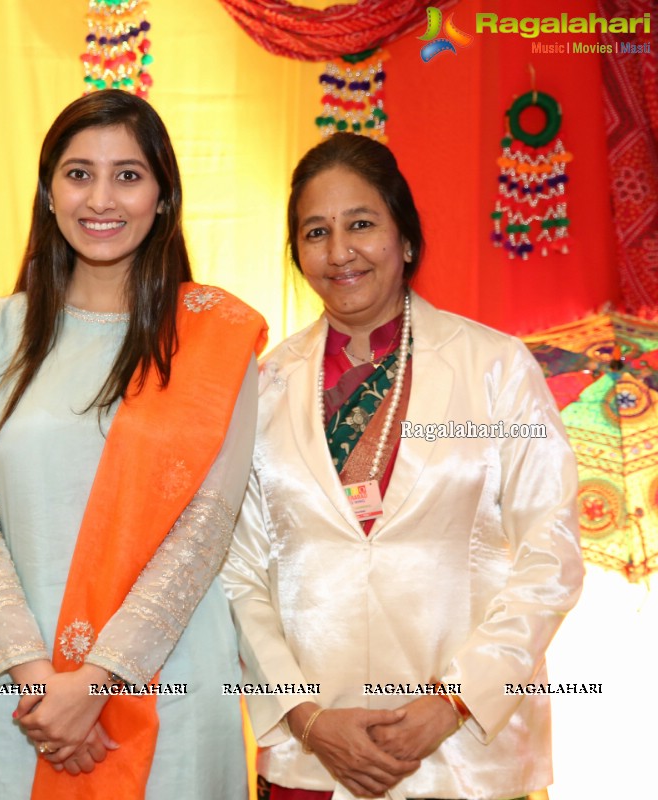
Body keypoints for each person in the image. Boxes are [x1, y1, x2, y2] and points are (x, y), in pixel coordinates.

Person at [223, 132, 584, 800]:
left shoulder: (494, 368)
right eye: (316, 232)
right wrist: (306, 717)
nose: (340, 252)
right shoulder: (265, 387)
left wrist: (455, 702)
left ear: (406, 239)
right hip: (315, 763)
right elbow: (238, 574)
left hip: (466, 758)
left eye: (361, 224)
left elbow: (551, 554)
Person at [0, 89, 268, 800]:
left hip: (167, 683)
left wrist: (97, 679)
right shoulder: (0, 330)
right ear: (48, 192)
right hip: (14, 699)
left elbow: (206, 527)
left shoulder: (213, 336)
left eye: (128, 174)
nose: (102, 198)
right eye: (78, 172)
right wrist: (41, 684)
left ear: (163, 196)